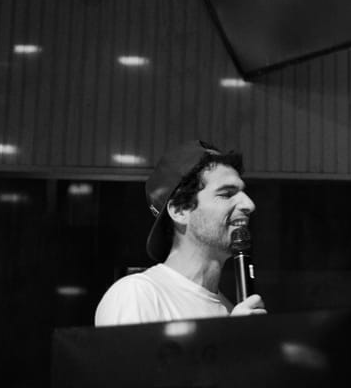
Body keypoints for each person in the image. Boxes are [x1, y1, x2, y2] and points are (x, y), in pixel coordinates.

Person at [95, 140, 267, 326]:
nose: (249, 204)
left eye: (243, 193)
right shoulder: (138, 294)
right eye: (226, 194)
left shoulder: (230, 309)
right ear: (180, 211)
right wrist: (232, 335)